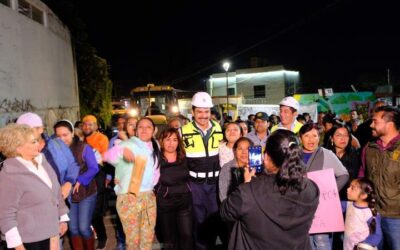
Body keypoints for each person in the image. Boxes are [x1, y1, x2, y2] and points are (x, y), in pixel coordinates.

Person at [220, 129, 320, 249]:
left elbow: (225, 213)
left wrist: (246, 184)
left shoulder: (248, 192)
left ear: (266, 157)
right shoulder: (311, 188)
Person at [0, 124, 69, 249]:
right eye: (33, 142)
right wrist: (18, 246)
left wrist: (63, 216)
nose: (38, 144)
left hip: (51, 232)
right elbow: (6, 215)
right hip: (29, 240)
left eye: (37, 140)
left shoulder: (42, 161)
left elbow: (56, 190)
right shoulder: (9, 174)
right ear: (18, 147)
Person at [104, 117, 161, 250]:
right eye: (140, 127)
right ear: (136, 131)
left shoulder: (155, 145)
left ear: (154, 130)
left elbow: (156, 170)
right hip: (129, 197)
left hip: (149, 197)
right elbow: (105, 156)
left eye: (148, 127)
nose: (144, 130)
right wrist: (121, 151)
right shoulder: (127, 144)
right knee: (133, 241)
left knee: (147, 240)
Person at [180, 92, 223, 250]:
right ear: (193, 112)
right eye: (199, 111)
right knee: (197, 221)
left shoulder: (218, 129)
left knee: (213, 220)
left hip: (214, 184)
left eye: (206, 111)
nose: (203, 116)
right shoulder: (182, 131)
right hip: (195, 185)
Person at [298, 123, 349, 250]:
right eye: (307, 136)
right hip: (299, 206)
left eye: (314, 136)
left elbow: (344, 175)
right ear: (300, 138)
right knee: (305, 241)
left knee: (321, 241)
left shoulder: (326, 154)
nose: (311, 139)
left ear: (319, 137)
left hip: (321, 208)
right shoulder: (295, 154)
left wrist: (330, 192)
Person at [54, 120, 99, 250]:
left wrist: (80, 179)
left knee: (84, 228)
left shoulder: (84, 147)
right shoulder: (54, 150)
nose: (62, 139)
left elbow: (94, 168)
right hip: (67, 196)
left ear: (72, 133)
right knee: (73, 229)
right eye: (58, 135)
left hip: (86, 192)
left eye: (65, 135)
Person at [361, 106, 400, 250]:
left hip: (396, 216)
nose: (371, 125)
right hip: (373, 214)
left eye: (375, 121)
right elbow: (363, 175)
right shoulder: (369, 148)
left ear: (389, 124)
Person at [16, 112, 80, 200]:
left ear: (40, 129)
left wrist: (68, 183)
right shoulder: (18, 152)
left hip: (62, 200)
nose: (25, 133)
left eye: (29, 130)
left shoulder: (57, 144)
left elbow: (73, 165)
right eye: (22, 130)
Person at [155, 128, 193, 250]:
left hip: (184, 202)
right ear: (161, 141)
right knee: (168, 238)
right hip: (165, 203)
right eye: (167, 139)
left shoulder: (184, 156)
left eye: (175, 140)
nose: (171, 143)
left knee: (186, 234)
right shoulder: (156, 158)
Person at [81, 114, 110, 250]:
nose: (87, 126)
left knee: (95, 212)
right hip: (82, 178)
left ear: (96, 126)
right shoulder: (80, 139)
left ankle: (102, 237)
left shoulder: (101, 138)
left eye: (90, 124)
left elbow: (104, 159)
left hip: (97, 176)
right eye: (85, 124)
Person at [343, 178, 382, 250]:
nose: (347, 189)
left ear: (363, 195)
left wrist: (363, 246)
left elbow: (377, 235)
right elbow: (334, 205)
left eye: (352, 188)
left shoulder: (370, 213)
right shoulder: (348, 205)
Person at [325, 122, 360, 199]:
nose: (343, 138)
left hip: (349, 198)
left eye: (346, 135)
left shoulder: (356, 155)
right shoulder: (325, 155)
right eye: (338, 135)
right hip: (328, 197)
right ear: (331, 138)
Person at [218, 137, 253, 202]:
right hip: (233, 207)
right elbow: (223, 196)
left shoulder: (257, 168)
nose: (244, 152)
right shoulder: (227, 168)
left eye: (247, 149)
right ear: (234, 151)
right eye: (240, 149)